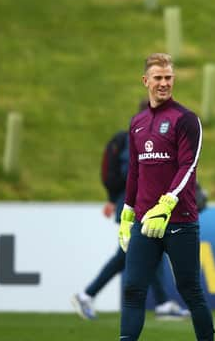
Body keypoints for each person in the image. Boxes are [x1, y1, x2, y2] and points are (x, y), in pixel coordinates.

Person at [84, 53, 215, 341]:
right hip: (145, 221)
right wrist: (128, 211)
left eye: (169, 77)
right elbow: (135, 173)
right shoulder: (137, 122)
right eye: (158, 77)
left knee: (190, 290)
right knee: (133, 290)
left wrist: (166, 204)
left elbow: (189, 167)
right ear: (146, 81)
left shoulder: (186, 120)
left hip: (180, 220)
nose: (164, 83)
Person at [71, 101, 193, 321]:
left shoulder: (136, 136)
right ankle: (87, 294)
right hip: (137, 206)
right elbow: (138, 174)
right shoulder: (144, 138)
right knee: (127, 255)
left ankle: (163, 303)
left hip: (139, 205)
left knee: (146, 253)